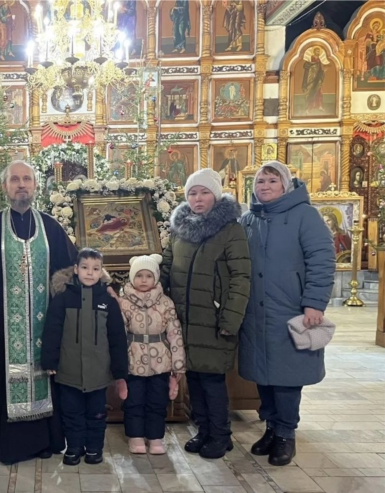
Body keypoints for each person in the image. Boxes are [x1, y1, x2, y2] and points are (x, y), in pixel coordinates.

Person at [0, 160, 78, 465]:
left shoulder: (49, 225)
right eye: (15, 180)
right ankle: (8, 443)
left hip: (44, 321)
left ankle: (45, 440)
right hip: (5, 321)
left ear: (35, 186)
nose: (21, 185)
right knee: (4, 376)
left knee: (45, 373)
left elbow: (70, 266)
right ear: (4, 186)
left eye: (27, 179)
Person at [239, 161, 335, 467]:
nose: (265, 186)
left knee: (287, 377)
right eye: (260, 181)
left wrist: (314, 303)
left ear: (285, 185)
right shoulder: (249, 219)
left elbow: (322, 259)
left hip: (290, 310)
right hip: (256, 312)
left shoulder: (305, 215)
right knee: (263, 375)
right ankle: (270, 428)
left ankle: (285, 434)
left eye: (272, 180)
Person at [160, 168, 251, 459]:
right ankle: (203, 430)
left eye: (204, 192)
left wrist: (230, 319)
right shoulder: (180, 228)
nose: (198, 199)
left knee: (212, 381)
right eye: (192, 193)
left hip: (214, 320)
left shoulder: (231, 230)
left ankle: (221, 435)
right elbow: (167, 266)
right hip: (184, 319)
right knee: (195, 379)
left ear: (216, 195)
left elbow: (240, 277)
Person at [41, 248, 129, 466]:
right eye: (85, 267)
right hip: (68, 370)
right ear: (75, 269)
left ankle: (94, 448)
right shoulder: (63, 299)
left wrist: (120, 370)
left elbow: (117, 337)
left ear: (102, 272)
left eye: (95, 269)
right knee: (72, 413)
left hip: (98, 372)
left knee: (97, 413)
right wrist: (50, 360)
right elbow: (52, 330)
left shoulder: (108, 301)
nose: (90, 273)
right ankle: (74, 447)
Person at [118, 254, 185, 456]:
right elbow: (118, 334)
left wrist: (178, 364)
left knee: (157, 401)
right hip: (133, 361)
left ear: (155, 278)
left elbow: (174, 334)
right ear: (132, 277)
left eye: (148, 276)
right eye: (139, 276)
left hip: (160, 362)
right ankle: (135, 436)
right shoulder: (123, 302)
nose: (144, 280)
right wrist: (118, 364)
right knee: (134, 401)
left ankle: (155, 437)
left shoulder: (165, 303)